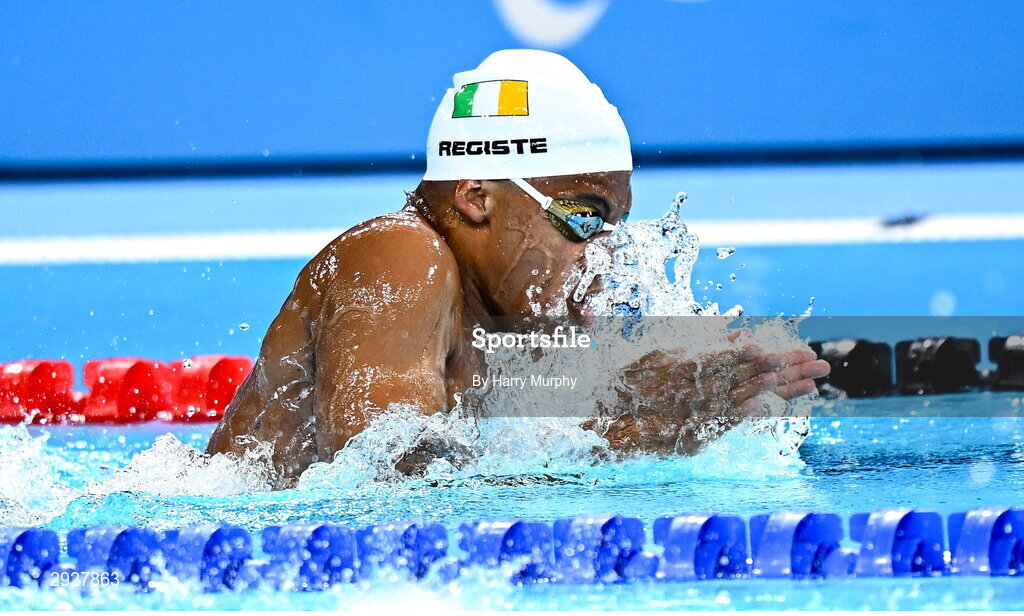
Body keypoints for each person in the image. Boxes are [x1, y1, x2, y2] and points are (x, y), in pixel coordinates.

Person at [205, 49, 830, 488]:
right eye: (583, 218)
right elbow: (377, 486)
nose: (602, 254)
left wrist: (646, 416)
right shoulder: (399, 258)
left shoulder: (506, 326)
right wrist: (620, 434)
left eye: (614, 227)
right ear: (476, 196)